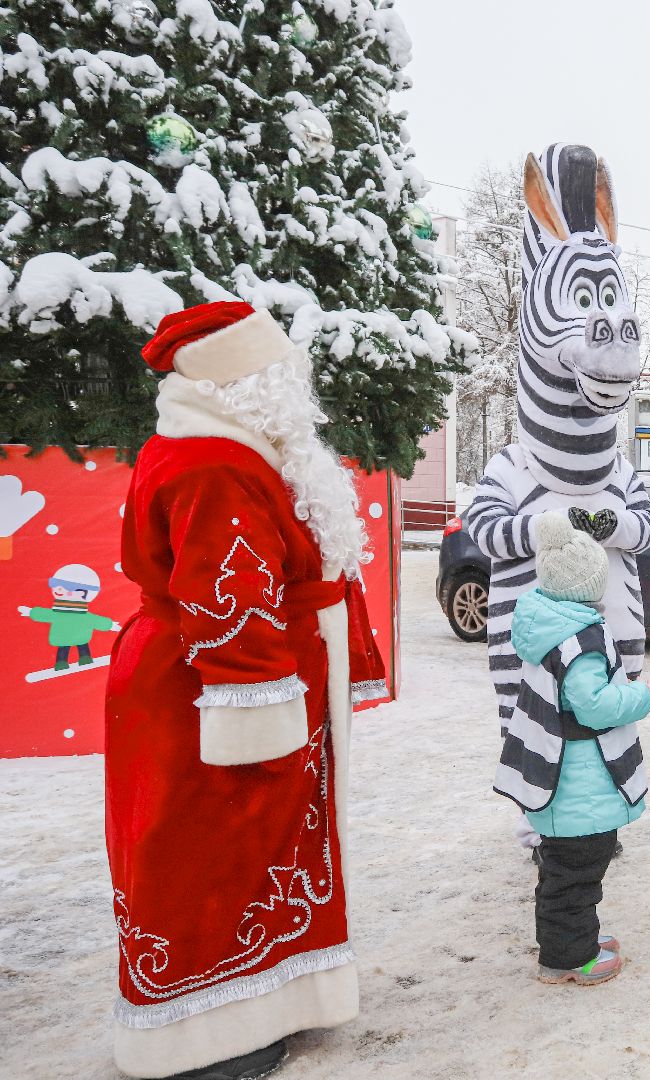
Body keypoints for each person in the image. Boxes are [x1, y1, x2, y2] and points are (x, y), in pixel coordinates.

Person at [106, 301, 387, 1078]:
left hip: (225, 679)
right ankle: (212, 1033)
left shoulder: (237, 447)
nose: (296, 386)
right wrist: (262, 717)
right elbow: (229, 600)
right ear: (245, 379)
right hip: (221, 691)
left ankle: (269, 997)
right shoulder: (216, 465)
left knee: (253, 847)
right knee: (211, 849)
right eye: (281, 372)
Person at [500, 511, 650, 986]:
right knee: (577, 870)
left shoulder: (547, 625)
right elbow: (592, 705)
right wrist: (638, 694)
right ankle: (568, 958)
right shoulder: (580, 641)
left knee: (568, 866)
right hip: (579, 778)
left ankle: (576, 939)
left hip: (559, 775)